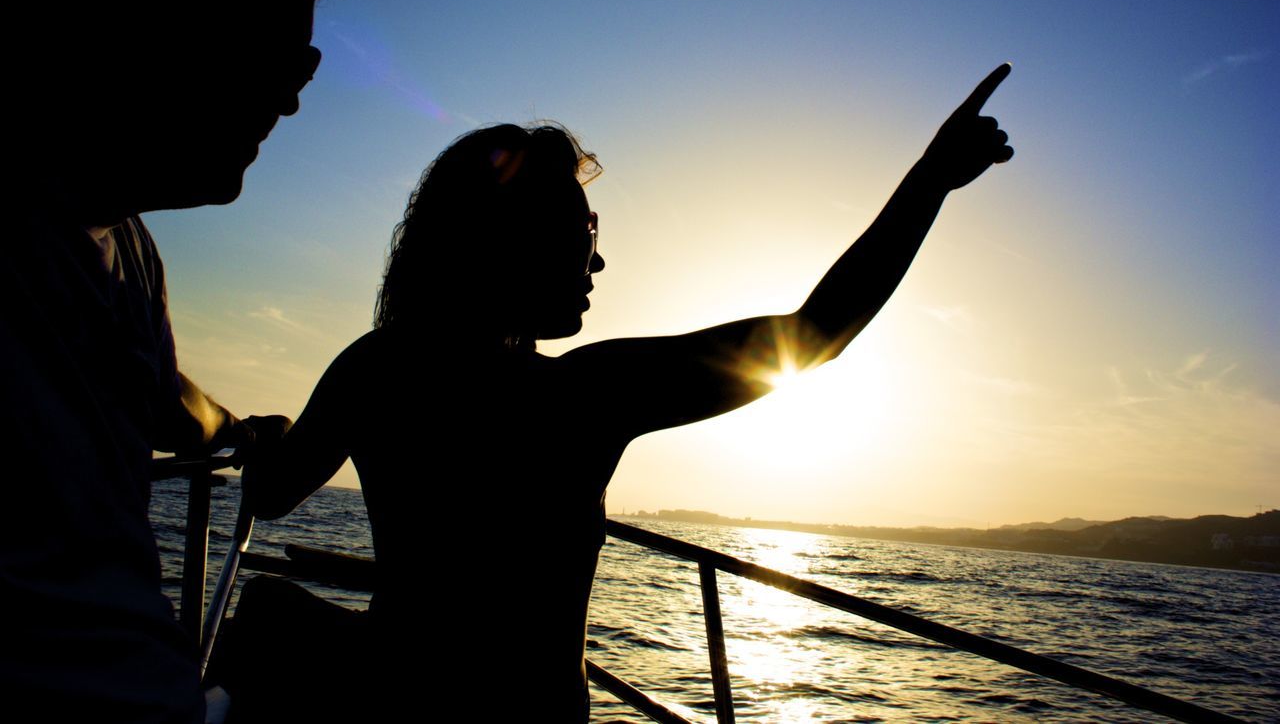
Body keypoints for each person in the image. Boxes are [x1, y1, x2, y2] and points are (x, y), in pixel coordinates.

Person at [242, 65, 1014, 720]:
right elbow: (812, 332)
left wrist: (272, 431)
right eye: (585, 234)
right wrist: (931, 181)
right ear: (517, 241)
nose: (598, 261)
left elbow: (271, 491)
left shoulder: (374, 367)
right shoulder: (582, 396)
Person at [1, 0, 367, 721]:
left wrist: (237, 430)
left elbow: (163, 392)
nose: (293, 91)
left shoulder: (130, 251)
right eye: (277, 45)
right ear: (146, 7)